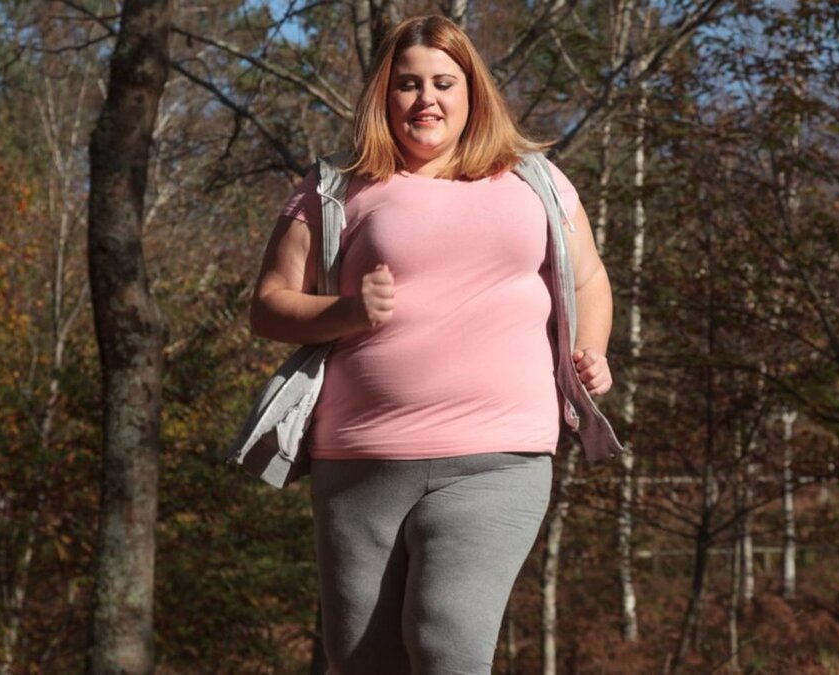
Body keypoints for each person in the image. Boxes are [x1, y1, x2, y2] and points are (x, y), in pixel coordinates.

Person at [249, 14, 615, 675]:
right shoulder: (336, 186)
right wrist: (347, 311)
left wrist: (593, 348)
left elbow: (588, 276)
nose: (427, 99)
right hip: (360, 459)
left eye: (444, 83)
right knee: (362, 658)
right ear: (383, 96)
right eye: (408, 84)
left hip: (498, 457)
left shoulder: (535, 181)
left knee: (447, 640)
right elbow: (269, 303)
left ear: (472, 92)